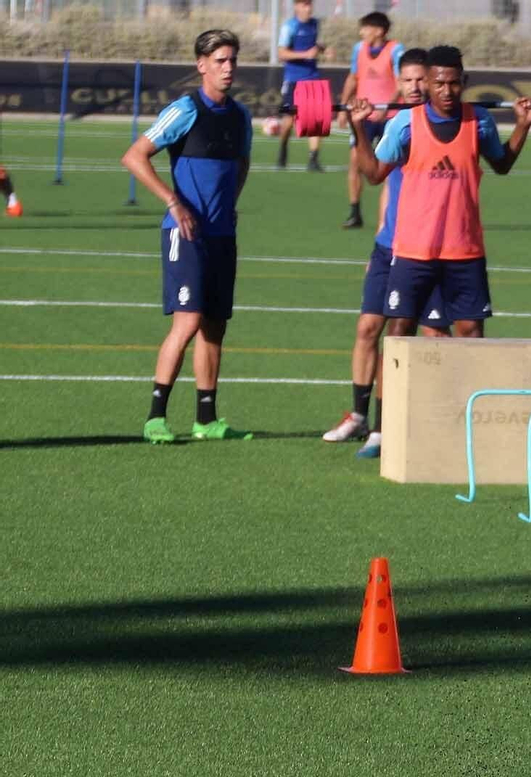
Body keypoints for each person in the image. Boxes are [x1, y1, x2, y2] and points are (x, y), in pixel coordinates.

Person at [350, 45, 531, 346]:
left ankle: (466, 394)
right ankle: (393, 396)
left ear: (464, 81)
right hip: (413, 251)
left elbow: (502, 164)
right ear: (428, 81)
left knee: (471, 334)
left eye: (453, 83)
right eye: (438, 83)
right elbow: (373, 174)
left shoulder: (479, 121)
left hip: (464, 250)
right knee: (400, 333)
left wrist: (522, 126)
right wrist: (358, 127)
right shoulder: (405, 123)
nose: (446, 90)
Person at [121, 29, 253, 444]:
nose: (227, 67)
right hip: (185, 234)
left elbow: (242, 163)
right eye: (219, 61)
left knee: (215, 326)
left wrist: (230, 201)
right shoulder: (185, 110)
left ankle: (206, 420)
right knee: (189, 321)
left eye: (232, 59)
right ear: (201, 65)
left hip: (221, 234)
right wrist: (173, 203)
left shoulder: (241, 115)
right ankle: (155, 416)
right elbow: (134, 156)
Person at [323, 48, 450, 457]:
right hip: (389, 246)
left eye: (420, 80)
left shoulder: (436, 126)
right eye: (408, 80)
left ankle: (410, 421)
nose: (414, 87)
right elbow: (385, 184)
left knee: (432, 336)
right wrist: (380, 238)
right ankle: (360, 417)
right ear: (398, 82)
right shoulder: (396, 122)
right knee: (368, 329)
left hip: (426, 250)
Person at [340, 11, 404, 229]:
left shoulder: (396, 50)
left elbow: (400, 83)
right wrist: (343, 106)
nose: (362, 32)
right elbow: (353, 77)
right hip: (363, 115)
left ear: (379, 30)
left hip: (390, 116)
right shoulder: (359, 49)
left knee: (389, 169)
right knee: (355, 162)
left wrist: (386, 109)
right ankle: (355, 212)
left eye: (366, 28)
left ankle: (388, 217)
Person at [277, 0, 327, 171]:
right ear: (296, 6)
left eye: (310, 4)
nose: (308, 8)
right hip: (293, 79)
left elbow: (315, 45)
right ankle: (283, 148)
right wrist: (306, 54)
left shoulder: (315, 24)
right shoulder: (289, 26)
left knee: (316, 120)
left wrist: (322, 49)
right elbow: (281, 53)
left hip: (313, 77)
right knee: (289, 120)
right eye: (304, 4)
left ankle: (313, 159)